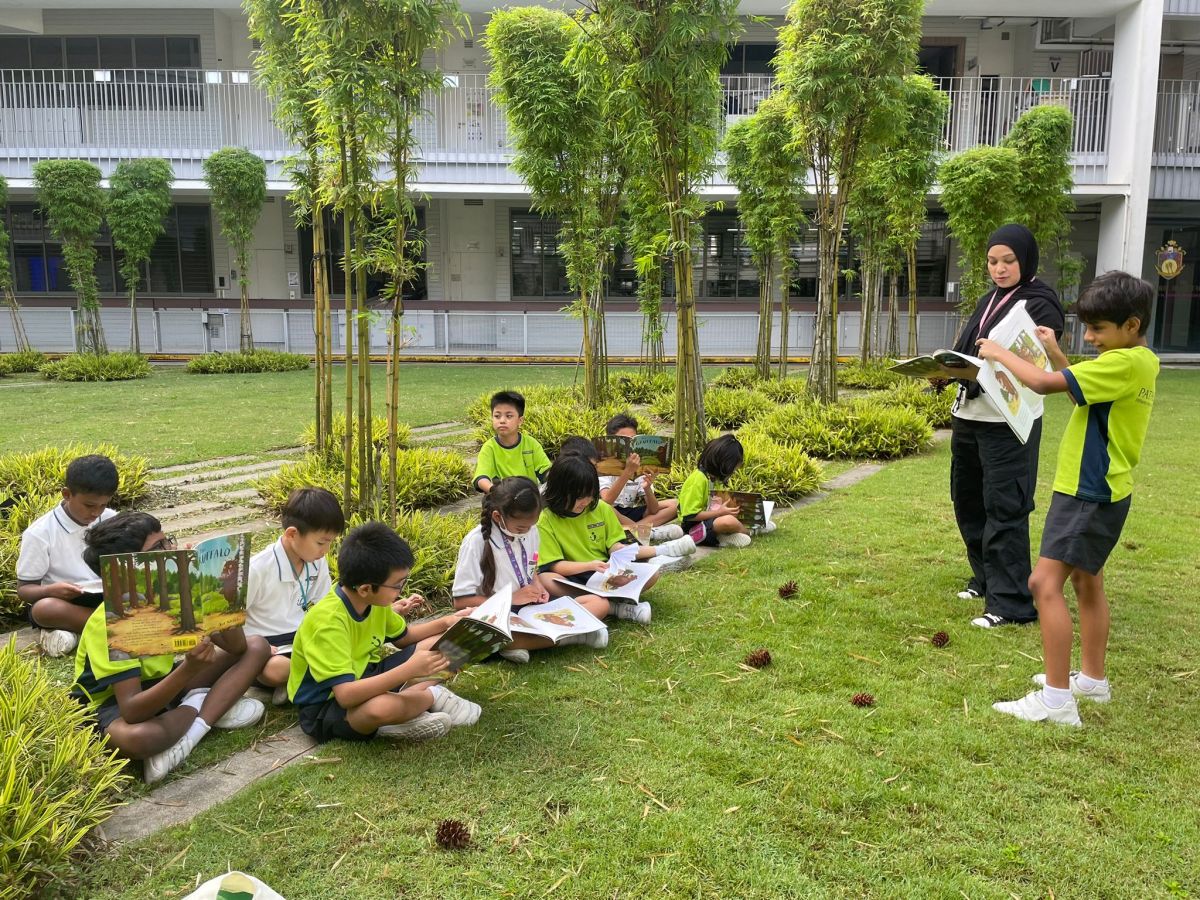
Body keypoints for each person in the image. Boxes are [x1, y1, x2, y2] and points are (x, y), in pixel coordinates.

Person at [977, 271, 1158, 726]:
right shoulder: (1139, 362)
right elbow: (1085, 396)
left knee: (1042, 584)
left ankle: (1057, 701)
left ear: (1131, 326)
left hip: (1087, 491)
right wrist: (1056, 353)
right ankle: (1092, 680)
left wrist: (998, 352)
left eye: (1098, 329)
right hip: (1107, 489)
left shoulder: (1119, 364)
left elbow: (1041, 384)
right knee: (1087, 582)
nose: (1091, 338)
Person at [70, 512, 270, 784]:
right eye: (158, 549)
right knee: (139, 738)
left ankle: (191, 732)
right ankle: (206, 704)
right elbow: (131, 710)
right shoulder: (111, 621)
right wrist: (189, 670)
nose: (172, 550)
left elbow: (237, 647)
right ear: (129, 568)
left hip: (166, 683)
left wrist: (215, 598)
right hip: (113, 704)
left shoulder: (175, 593)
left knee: (258, 646)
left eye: (168, 541)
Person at [947, 224, 1065, 628]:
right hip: (970, 415)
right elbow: (969, 352)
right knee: (967, 500)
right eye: (993, 262)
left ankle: (1010, 602)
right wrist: (944, 371)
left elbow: (1038, 362)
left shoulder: (1041, 303)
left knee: (1005, 506)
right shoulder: (989, 299)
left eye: (1008, 261)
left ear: (1025, 260)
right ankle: (984, 579)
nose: (999, 269)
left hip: (1008, 421)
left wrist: (997, 354)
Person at [287, 522, 481, 744]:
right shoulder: (327, 622)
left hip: (369, 676)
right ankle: (429, 698)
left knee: (453, 643)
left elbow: (405, 638)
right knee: (379, 708)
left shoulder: (374, 602)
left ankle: (405, 713)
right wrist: (409, 670)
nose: (402, 590)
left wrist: (447, 622)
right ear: (366, 588)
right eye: (398, 584)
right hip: (327, 705)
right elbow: (346, 695)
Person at [451, 476, 612, 663]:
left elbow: (531, 567)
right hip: (499, 612)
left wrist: (538, 586)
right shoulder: (476, 542)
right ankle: (575, 636)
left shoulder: (530, 530)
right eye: (520, 528)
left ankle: (525, 643)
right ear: (497, 516)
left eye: (531, 526)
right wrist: (512, 598)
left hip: (531, 607)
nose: (527, 532)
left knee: (600, 604)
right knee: (491, 635)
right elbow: (461, 601)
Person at [537, 456, 696, 625]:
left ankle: (661, 553)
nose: (586, 501)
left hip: (605, 574)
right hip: (573, 576)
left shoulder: (601, 508)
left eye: (590, 495)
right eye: (579, 497)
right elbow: (555, 565)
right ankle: (615, 606)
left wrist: (621, 557)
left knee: (652, 574)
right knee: (547, 579)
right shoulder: (545, 520)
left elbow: (614, 546)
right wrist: (589, 565)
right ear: (559, 491)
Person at [244, 487, 345, 705]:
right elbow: (230, 622)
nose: (326, 550)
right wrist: (251, 648)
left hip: (304, 641)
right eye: (321, 542)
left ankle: (296, 684)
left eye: (330, 542)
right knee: (275, 671)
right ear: (292, 534)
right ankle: (301, 681)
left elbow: (323, 607)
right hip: (269, 648)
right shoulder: (257, 569)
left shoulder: (317, 562)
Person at [17, 453, 119, 657]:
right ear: (66, 494)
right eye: (89, 505)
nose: (96, 513)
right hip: (68, 602)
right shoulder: (40, 533)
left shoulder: (112, 520)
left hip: (107, 598)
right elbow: (24, 590)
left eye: (103, 505)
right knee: (43, 609)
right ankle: (115, 629)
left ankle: (83, 634)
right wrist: (52, 590)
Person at [598, 414, 683, 542]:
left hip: (628, 513)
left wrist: (648, 488)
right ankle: (642, 532)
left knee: (675, 504)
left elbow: (653, 509)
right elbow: (607, 500)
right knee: (607, 508)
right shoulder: (604, 464)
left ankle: (633, 531)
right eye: (623, 440)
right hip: (608, 514)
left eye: (632, 439)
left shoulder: (639, 464)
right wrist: (627, 472)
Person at [677, 434, 771, 549]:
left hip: (710, 522)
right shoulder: (698, 479)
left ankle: (724, 537)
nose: (734, 470)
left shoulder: (712, 479)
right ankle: (750, 532)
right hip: (693, 530)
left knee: (733, 516)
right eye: (734, 467)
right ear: (724, 463)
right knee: (728, 521)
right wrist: (719, 512)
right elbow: (689, 516)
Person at [473, 390, 551, 494]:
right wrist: (496, 491)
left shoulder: (531, 444)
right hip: (501, 501)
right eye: (497, 416)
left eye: (508, 416)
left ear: (520, 420)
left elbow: (546, 471)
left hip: (529, 500)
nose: (502, 420)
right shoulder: (489, 448)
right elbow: (480, 478)